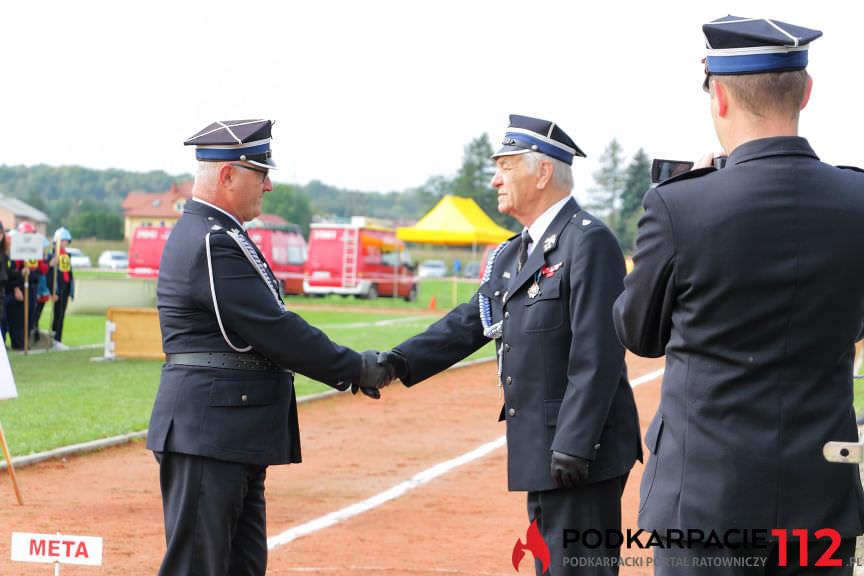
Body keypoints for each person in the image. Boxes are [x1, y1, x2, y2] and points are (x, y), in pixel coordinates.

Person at [613, 16, 864, 574]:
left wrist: (688, 201)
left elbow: (639, 334)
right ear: (806, 92)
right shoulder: (858, 200)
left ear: (719, 97)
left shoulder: (679, 205)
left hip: (702, 506)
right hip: (820, 503)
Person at [378, 115, 642, 575]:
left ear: (542, 173)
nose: (495, 178)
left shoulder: (587, 241)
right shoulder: (513, 252)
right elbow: (469, 323)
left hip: (582, 452)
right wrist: (397, 362)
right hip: (544, 445)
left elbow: (597, 352)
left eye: (506, 166)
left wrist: (575, 444)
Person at [146, 119, 390, 576]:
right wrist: (355, 367)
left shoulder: (221, 233)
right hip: (209, 432)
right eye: (261, 172)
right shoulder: (210, 241)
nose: (270, 184)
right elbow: (274, 330)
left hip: (228, 433)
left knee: (241, 566)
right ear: (226, 175)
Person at [6, 221, 47, 350]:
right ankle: (17, 344)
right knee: (18, 316)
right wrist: (16, 288)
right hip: (20, 286)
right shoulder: (15, 252)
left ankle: (25, 342)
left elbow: (41, 270)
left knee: (30, 315)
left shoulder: (35, 251)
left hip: (32, 287)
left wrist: (49, 264)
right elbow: (12, 273)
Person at [47, 227, 74, 344]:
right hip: (58, 288)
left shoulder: (66, 255)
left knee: (62, 314)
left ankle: (59, 338)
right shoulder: (52, 254)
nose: (65, 243)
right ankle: (54, 338)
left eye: (66, 241)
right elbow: (50, 274)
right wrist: (54, 291)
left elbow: (69, 273)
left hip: (66, 287)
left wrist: (72, 291)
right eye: (63, 240)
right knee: (57, 314)